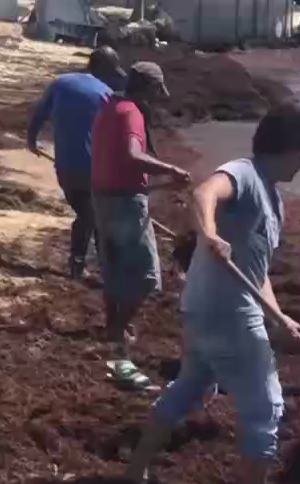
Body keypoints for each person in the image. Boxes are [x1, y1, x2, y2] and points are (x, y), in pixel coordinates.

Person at [122, 102, 300, 484]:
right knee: (266, 405)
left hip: (205, 310)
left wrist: (278, 315)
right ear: (284, 147)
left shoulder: (272, 198)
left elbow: (257, 270)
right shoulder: (245, 174)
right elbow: (203, 193)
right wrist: (209, 235)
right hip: (228, 313)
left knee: (188, 388)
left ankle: (136, 470)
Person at [89, 60, 192, 390]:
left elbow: (116, 164)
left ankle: (115, 335)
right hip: (123, 204)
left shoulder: (109, 108)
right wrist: (171, 170)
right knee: (148, 278)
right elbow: (133, 156)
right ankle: (118, 332)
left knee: (115, 270)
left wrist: (156, 185)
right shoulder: (132, 112)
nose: (156, 100)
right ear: (147, 89)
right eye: (155, 93)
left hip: (103, 198)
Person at [26, 46, 127, 280]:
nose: (113, 78)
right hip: (93, 171)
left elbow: (39, 114)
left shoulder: (60, 83)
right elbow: (117, 139)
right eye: (111, 72)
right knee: (96, 217)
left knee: (89, 214)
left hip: (65, 169)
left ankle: (84, 262)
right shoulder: (106, 95)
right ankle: (94, 266)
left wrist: (31, 140)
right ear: (101, 68)